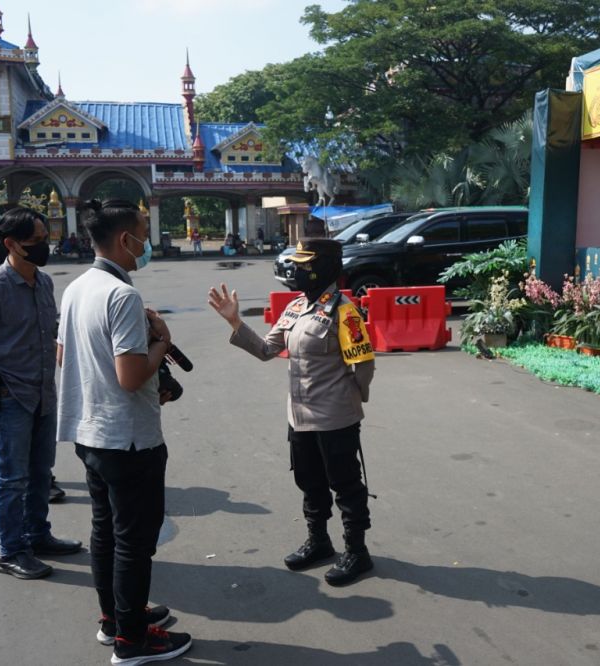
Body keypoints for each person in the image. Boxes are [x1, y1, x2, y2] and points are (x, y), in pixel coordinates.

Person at [56, 199, 191, 664]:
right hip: (128, 437)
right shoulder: (122, 296)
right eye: (144, 232)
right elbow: (132, 376)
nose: (147, 242)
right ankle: (132, 641)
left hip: (90, 431)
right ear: (123, 239)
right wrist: (162, 342)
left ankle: (116, 617)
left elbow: (63, 355)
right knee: (134, 541)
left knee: (106, 532)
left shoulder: (77, 288)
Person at [207, 238, 377, 585]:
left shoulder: (344, 311)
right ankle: (319, 541)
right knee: (309, 482)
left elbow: (363, 364)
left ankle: (357, 552)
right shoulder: (296, 307)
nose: (297, 269)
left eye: (305, 263)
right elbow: (268, 349)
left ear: (325, 267)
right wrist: (236, 322)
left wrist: (352, 399)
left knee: (345, 485)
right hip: (299, 416)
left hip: (335, 417)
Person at [0, 207, 82, 581]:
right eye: (37, 240)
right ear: (11, 244)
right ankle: (12, 551)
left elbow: (53, 334)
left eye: (46, 237)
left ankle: (38, 536)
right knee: (12, 477)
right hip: (11, 395)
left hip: (44, 392)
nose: (46, 245)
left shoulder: (44, 282)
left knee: (41, 472)